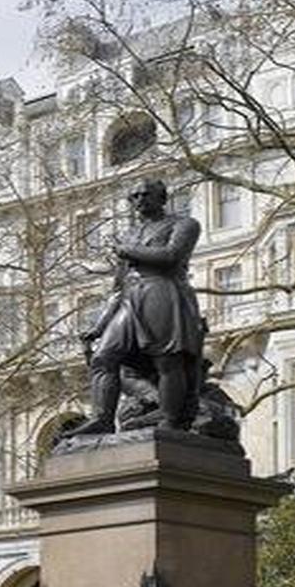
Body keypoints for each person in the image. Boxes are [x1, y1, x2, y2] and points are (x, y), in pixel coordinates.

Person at [82, 178, 205, 434]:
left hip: (163, 291)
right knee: (104, 357)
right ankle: (102, 419)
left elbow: (173, 256)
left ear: (162, 198)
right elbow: (118, 286)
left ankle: (171, 421)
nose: (139, 200)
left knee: (167, 360)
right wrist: (99, 326)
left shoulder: (184, 224)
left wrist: (128, 251)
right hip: (130, 297)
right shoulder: (131, 234)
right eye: (134, 196)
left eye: (145, 195)